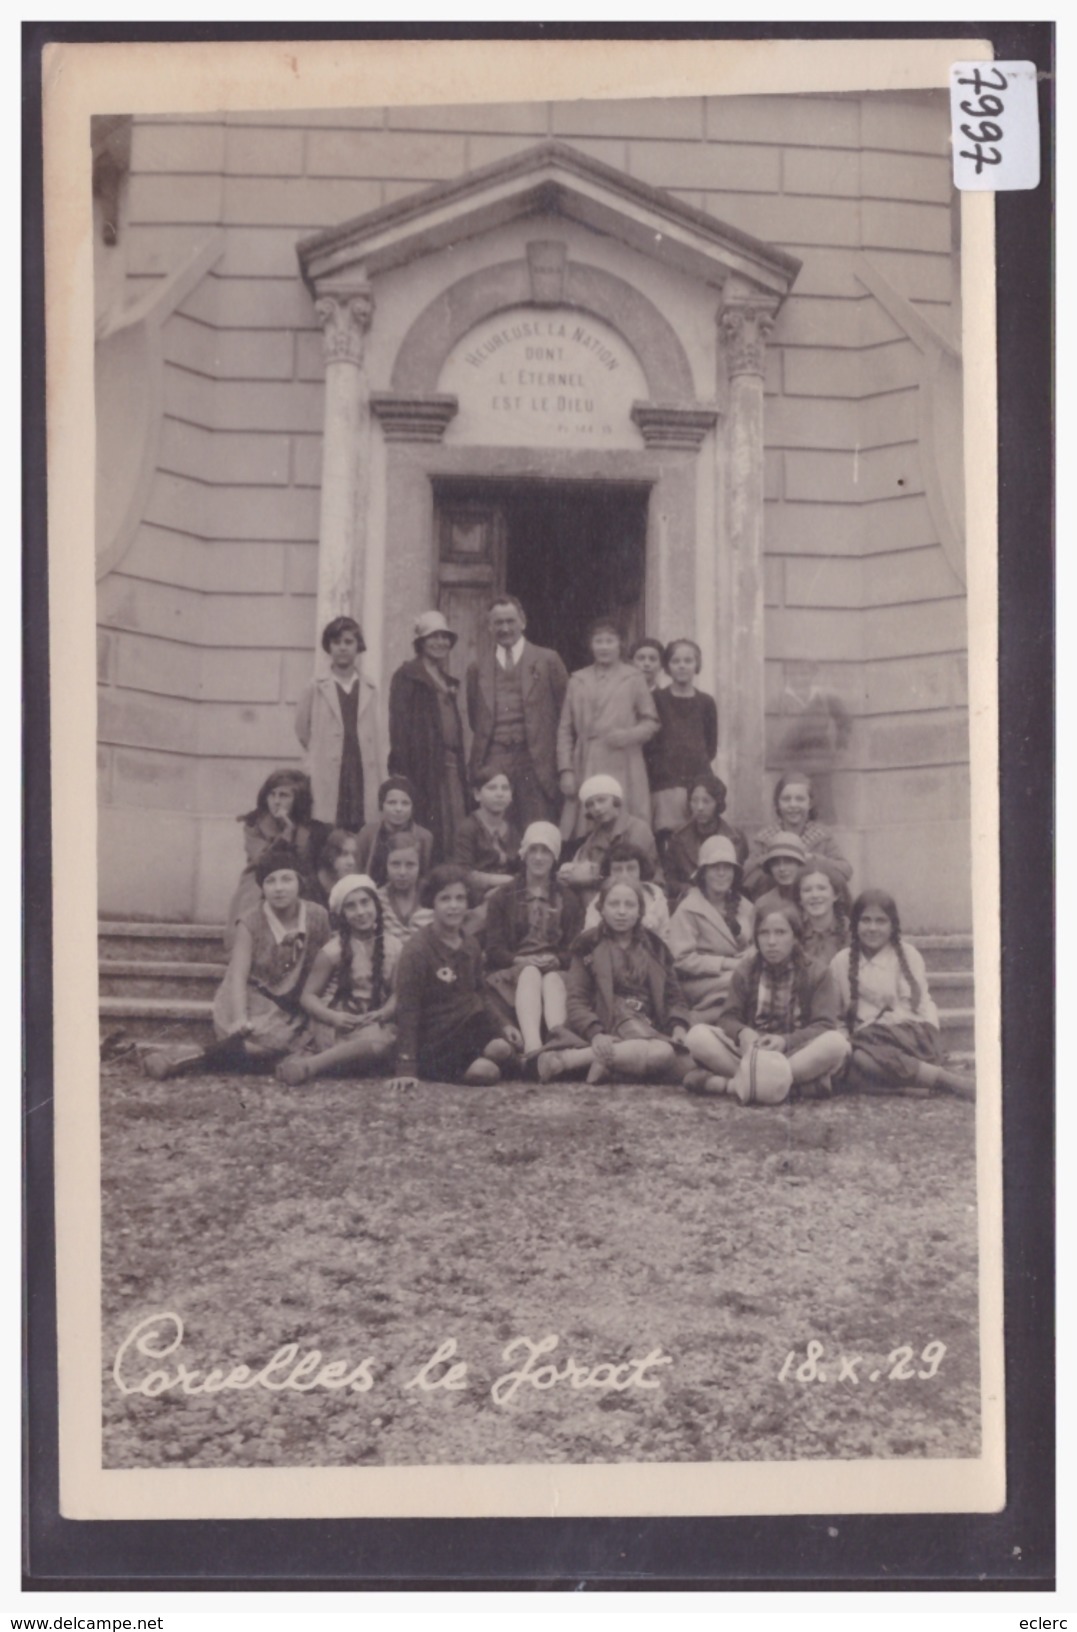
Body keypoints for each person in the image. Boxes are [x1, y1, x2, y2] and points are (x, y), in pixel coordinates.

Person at [145, 846, 331, 1079]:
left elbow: (328, 961)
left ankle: (190, 1056)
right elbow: (238, 975)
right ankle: (189, 1058)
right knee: (271, 1040)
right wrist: (240, 1017)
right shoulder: (251, 921)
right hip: (254, 997)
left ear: (300, 882)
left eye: (287, 879)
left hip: (292, 1004)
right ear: (262, 887)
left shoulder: (317, 916)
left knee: (296, 1040)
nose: (279, 888)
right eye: (270, 881)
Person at [684, 901, 850, 1100]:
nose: (771, 941)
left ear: (796, 937)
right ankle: (791, 1088)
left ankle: (735, 1085)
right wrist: (743, 1032)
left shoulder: (817, 972)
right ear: (756, 938)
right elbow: (728, 1017)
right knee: (697, 1036)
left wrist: (785, 1041)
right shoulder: (746, 970)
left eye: (780, 933)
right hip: (751, 1054)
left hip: (794, 1054)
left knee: (837, 1043)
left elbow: (823, 1025)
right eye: (764, 933)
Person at [538, 878, 691, 1085]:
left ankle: (603, 1065)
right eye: (614, 904)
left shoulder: (656, 947)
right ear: (601, 908)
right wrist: (596, 1033)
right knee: (662, 1054)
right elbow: (576, 1000)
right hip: (609, 1019)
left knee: (688, 1065)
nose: (622, 911)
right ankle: (568, 1060)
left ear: (640, 910)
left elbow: (674, 996)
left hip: (648, 1023)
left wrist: (678, 1026)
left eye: (629, 905)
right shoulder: (588, 944)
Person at [388, 864, 524, 1088]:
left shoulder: (470, 944)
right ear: (433, 902)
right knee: (486, 1072)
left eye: (460, 898)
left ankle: (521, 1064)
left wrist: (503, 1024)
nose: (454, 906)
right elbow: (407, 1009)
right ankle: (501, 1066)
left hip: (467, 1028)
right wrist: (406, 1067)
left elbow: (480, 993)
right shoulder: (417, 949)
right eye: (445, 899)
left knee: (501, 1047)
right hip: (435, 1040)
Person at [830, 890, 974, 1099]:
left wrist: (871, 1031)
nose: (872, 928)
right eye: (865, 920)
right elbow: (837, 1016)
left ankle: (946, 1080)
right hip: (866, 1042)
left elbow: (911, 1010)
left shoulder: (907, 955)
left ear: (892, 926)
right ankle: (912, 1087)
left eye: (881, 921)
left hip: (912, 1033)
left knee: (864, 1058)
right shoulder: (840, 962)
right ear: (855, 924)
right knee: (855, 1062)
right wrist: (845, 1039)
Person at [277, 874, 401, 1085]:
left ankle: (311, 1064)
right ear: (342, 914)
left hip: (375, 1023)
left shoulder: (395, 947)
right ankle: (313, 1065)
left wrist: (383, 1013)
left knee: (384, 1042)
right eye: (351, 906)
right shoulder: (333, 951)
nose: (361, 912)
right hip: (339, 1025)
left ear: (377, 906)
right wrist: (333, 1017)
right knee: (377, 1047)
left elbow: (399, 994)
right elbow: (308, 997)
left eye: (365, 902)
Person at [465, 595, 569, 826]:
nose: (505, 628)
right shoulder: (477, 667)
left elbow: (566, 714)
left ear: (523, 622)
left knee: (538, 826)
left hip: (536, 759)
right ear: (489, 627)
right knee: (497, 827)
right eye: (498, 623)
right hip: (494, 757)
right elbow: (476, 718)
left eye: (510, 621)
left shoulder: (548, 660)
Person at [484, 822, 584, 1058]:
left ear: (555, 857)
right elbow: (494, 948)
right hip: (513, 971)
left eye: (546, 851)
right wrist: (521, 959)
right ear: (524, 854)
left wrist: (556, 960)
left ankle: (558, 1043)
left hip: (554, 972)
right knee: (529, 972)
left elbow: (575, 947)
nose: (539, 857)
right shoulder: (503, 897)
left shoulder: (568, 899)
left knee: (549, 979)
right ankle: (533, 1048)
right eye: (533, 850)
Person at [557, 618, 659, 838]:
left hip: (624, 759)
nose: (604, 647)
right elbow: (565, 728)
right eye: (598, 641)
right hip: (587, 758)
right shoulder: (577, 679)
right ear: (590, 645)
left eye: (610, 641)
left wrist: (628, 735)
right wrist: (566, 770)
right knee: (585, 823)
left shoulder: (633, 677)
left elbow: (651, 722)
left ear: (620, 644)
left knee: (625, 821)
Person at [387, 611, 469, 864]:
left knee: (455, 824)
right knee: (431, 826)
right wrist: (402, 769)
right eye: (433, 637)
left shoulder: (446, 679)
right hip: (424, 768)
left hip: (452, 767)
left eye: (445, 637)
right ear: (421, 642)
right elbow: (398, 727)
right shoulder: (407, 676)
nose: (440, 642)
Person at [295, 616, 381, 832]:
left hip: (361, 767)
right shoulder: (316, 687)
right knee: (328, 825)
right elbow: (302, 729)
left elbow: (378, 731)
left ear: (358, 646)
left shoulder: (369, 687)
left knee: (360, 823)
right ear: (328, 646)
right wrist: (319, 752)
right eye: (336, 642)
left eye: (348, 642)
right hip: (330, 768)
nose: (342, 648)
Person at [223, 770, 316, 951]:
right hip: (258, 878)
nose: (276, 801)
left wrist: (291, 829)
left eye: (284, 795)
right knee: (253, 899)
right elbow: (263, 859)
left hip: (295, 879)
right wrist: (286, 833)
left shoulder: (306, 829)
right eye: (272, 794)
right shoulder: (254, 824)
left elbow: (302, 859)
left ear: (297, 799)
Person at [644, 639, 719, 853]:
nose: (682, 665)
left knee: (700, 839)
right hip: (666, 785)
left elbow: (710, 745)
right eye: (676, 661)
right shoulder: (656, 699)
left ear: (697, 665)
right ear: (667, 667)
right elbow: (650, 746)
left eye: (688, 660)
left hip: (698, 782)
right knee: (669, 842)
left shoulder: (706, 702)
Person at [667, 834, 754, 1021]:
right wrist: (725, 963)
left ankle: (715, 1020)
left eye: (727, 867)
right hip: (697, 982)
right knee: (740, 982)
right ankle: (693, 1019)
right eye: (715, 867)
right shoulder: (689, 908)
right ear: (703, 873)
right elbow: (680, 960)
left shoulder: (743, 905)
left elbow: (758, 940)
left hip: (738, 973)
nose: (722, 873)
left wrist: (750, 954)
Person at [743, 771, 852, 900]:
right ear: (777, 803)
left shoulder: (822, 836)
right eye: (786, 799)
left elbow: (846, 870)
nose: (793, 805)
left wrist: (813, 859)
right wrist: (771, 859)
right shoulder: (764, 838)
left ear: (810, 803)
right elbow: (746, 875)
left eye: (800, 799)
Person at [558, 774, 659, 894]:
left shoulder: (637, 829)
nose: (597, 808)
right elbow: (575, 872)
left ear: (615, 800)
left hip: (643, 892)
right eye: (590, 804)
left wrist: (591, 876)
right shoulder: (592, 839)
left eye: (602, 800)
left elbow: (631, 874)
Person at [663, 773, 749, 906]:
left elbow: (740, 879)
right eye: (694, 801)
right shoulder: (677, 838)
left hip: (725, 901)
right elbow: (669, 879)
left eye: (706, 801)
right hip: (689, 902)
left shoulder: (736, 837)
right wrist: (686, 890)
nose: (699, 807)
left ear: (718, 803)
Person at [452, 766, 520, 906]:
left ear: (511, 796)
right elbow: (462, 872)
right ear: (477, 794)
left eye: (505, 788)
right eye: (492, 788)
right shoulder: (468, 828)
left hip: (508, 894)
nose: (499, 794)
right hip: (477, 897)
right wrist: (500, 882)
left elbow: (520, 867)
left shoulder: (512, 830)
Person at [583, 838, 670, 942]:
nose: (624, 875)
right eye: (617, 870)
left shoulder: (656, 898)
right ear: (609, 873)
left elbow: (665, 937)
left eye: (631, 868)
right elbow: (590, 936)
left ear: (640, 869)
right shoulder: (600, 901)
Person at [353, 776, 434, 888]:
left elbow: (427, 876)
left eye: (405, 803)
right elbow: (357, 871)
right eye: (392, 803)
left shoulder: (424, 837)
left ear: (413, 807)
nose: (398, 809)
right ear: (382, 805)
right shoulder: (367, 833)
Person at [378, 832, 435, 945]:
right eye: (395, 864)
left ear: (420, 866)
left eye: (410, 865)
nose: (402, 872)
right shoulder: (377, 899)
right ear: (386, 865)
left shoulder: (432, 896)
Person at [795, 861, 851, 966]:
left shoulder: (851, 931)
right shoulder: (794, 934)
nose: (814, 895)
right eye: (807, 890)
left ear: (835, 894)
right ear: (799, 899)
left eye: (822, 888)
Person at [750, 833, 810, 913]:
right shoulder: (764, 905)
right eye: (775, 863)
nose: (782, 868)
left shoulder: (815, 896)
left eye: (788, 861)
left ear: (800, 864)